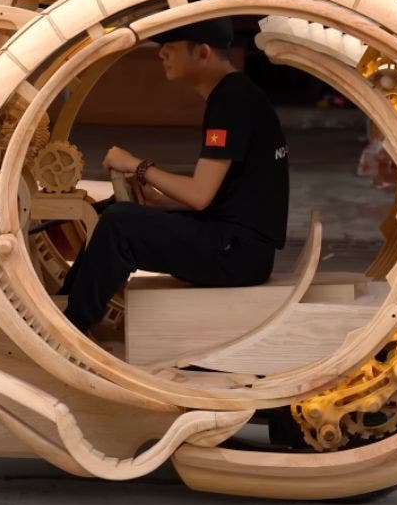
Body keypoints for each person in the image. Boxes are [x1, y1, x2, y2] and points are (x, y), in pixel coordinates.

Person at [60, 17, 290, 334]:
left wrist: (136, 165)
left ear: (202, 52)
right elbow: (223, 195)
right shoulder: (234, 94)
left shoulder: (231, 101)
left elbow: (199, 195)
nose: (161, 53)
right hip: (238, 244)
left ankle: (70, 329)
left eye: (170, 46)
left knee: (119, 224)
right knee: (115, 211)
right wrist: (162, 202)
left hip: (238, 254)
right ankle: (64, 303)